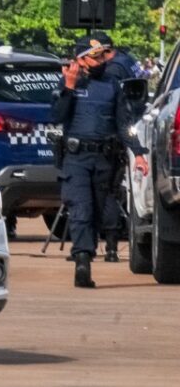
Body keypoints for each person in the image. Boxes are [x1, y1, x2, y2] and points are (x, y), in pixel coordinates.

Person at [50, 37, 149, 287]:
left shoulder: (113, 86)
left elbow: (124, 124)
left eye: (103, 55)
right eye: (95, 56)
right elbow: (57, 116)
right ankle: (82, 260)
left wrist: (138, 153)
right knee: (81, 209)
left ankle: (89, 251)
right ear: (81, 60)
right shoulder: (68, 83)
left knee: (96, 211)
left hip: (104, 159)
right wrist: (69, 88)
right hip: (76, 159)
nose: (101, 60)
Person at [88, 31, 149, 261]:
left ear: (104, 51)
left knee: (98, 195)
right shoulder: (128, 60)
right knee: (111, 193)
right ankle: (111, 248)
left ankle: (95, 246)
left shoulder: (111, 72)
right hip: (130, 128)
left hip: (110, 136)